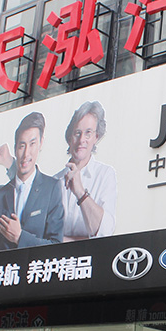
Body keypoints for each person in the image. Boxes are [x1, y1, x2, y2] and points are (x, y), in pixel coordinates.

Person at [0, 112, 65, 251]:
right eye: (22, 146)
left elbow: (56, 245)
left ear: (41, 143)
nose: (26, 154)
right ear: (15, 148)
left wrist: (20, 237)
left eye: (32, 144)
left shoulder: (52, 188)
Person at [60, 102, 116, 240]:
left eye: (88, 133)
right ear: (70, 137)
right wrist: (82, 240)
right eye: (77, 133)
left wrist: (81, 193)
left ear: (96, 137)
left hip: (91, 254)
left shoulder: (105, 174)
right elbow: (44, 238)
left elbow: (104, 233)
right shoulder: (54, 181)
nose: (81, 140)